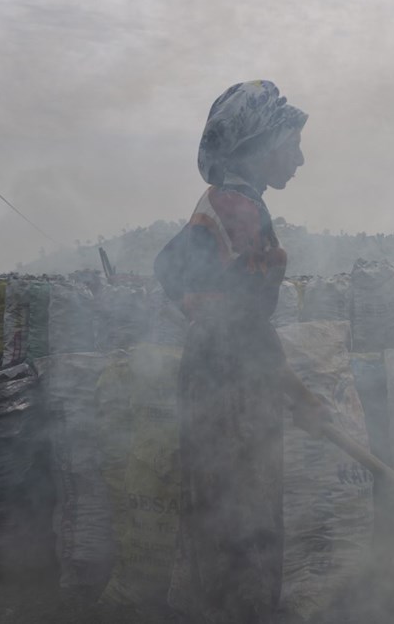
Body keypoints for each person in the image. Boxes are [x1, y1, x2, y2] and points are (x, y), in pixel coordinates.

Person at [154, 80, 328, 624]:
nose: (299, 159)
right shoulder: (239, 209)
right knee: (244, 520)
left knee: (219, 512)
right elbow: (244, 325)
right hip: (233, 381)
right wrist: (300, 396)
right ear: (261, 144)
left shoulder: (225, 201)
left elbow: (172, 269)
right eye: (292, 144)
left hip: (214, 369)